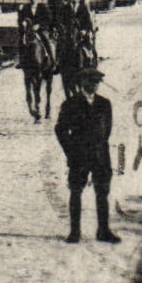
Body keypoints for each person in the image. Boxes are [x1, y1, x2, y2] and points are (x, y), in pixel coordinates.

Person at [54, 67, 120, 244]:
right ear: (82, 82)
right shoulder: (71, 104)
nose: (94, 85)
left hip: (100, 155)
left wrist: (100, 147)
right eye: (90, 81)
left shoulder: (105, 104)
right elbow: (60, 129)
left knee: (102, 193)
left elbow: (107, 130)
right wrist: (70, 150)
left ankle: (103, 231)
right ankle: (74, 232)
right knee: (76, 191)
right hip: (79, 156)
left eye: (97, 81)